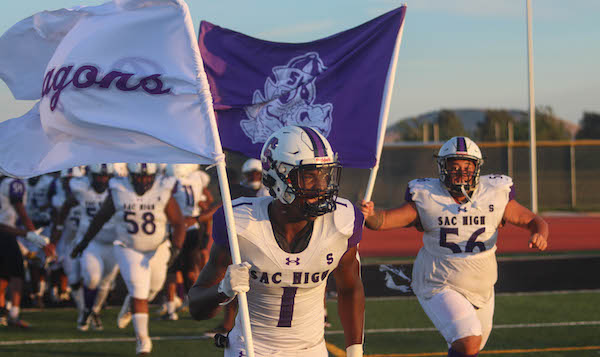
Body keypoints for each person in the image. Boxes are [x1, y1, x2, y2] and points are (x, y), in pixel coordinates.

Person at [360, 136, 549, 357]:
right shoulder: (428, 195)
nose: (461, 172)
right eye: (454, 166)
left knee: (469, 347)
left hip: (482, 288)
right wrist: (370, 215)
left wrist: (540, 233)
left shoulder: (494, 193)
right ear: (443, 167)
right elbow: (383, 221)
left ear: (477, 168)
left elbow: (534, 220)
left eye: (467, 167)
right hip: (439, 283)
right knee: (468, 342)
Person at [189, 126, 365, 357]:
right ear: (279, 176)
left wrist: (355, 350)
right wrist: (223, 290)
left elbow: (350, 289)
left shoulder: (341, 222)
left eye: (324, 175)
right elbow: (197, 308)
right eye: (309, 175)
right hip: (251, 349)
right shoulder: (241, 222)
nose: (321, 186)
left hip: (311, 350)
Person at [71, 163, 185, 355]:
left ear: (153, 176)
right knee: (139, 289)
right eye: (139, 177)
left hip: (157, 248)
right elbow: (100, 218)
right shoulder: (119, 189)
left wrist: (176, 248)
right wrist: (83, 243)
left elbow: (179, 223)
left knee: (154, 288)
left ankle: (130, 304)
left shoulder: (162, 189)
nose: (143, 181)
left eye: (147, 177)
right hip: (128, 247)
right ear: (130, 176)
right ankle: (143, 342)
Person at [59, 164, 118, 330]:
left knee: (105, 282)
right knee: (91, 278)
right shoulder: (81, 188)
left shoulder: (118, 191)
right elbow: (66, 206)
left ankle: (94, 311)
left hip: (112, 242)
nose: (102, 179)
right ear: (91, 175)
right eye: (99, 176)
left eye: (105, 176)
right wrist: (58, 228)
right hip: (90, 241)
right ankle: (85, 310)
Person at [162, 164, 215, 320]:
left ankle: (171, 308)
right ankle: (194, 304)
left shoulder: (170, 182)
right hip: (193, 228)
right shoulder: (196, 179)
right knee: (190, 270)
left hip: (176, 228)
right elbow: (206, 201)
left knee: (171, 270)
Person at [0, 174, 53, 327]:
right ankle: (13, 315)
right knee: (17, 274)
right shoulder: (13, 183)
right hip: (6, 232)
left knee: (3, 276)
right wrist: (35, 237)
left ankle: (3, 313)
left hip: (6, 231)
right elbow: (21, 211)